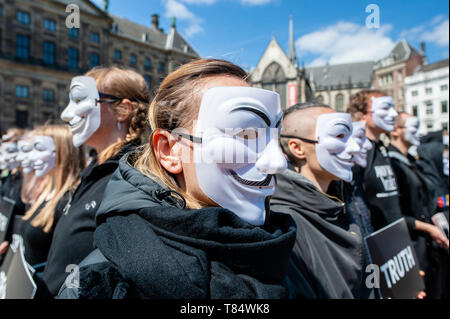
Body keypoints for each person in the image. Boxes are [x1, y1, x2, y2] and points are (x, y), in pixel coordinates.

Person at [58, 58, 296, 299]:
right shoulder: (102, 283)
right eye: (245, 134)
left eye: (274, 138)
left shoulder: (285, 251)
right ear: (169, 151)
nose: (278, 162)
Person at [42, 67, 150, 297]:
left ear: (123, 109)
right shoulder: (94, 167)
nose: (65, 114)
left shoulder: (132, 176)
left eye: (80, 99)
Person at [270, 102, 365, 299]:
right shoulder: (285, 223)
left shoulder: (338, 203)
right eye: (339, 136)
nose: (354, 147)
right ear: (297, 148)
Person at [388, 113, 449, 298]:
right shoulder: (392, 162)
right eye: (413, 128)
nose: (419, 132)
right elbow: (393, 213)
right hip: (409, 245)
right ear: (395, 130)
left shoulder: (412, 162)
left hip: (427, 245)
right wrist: (430, 228)